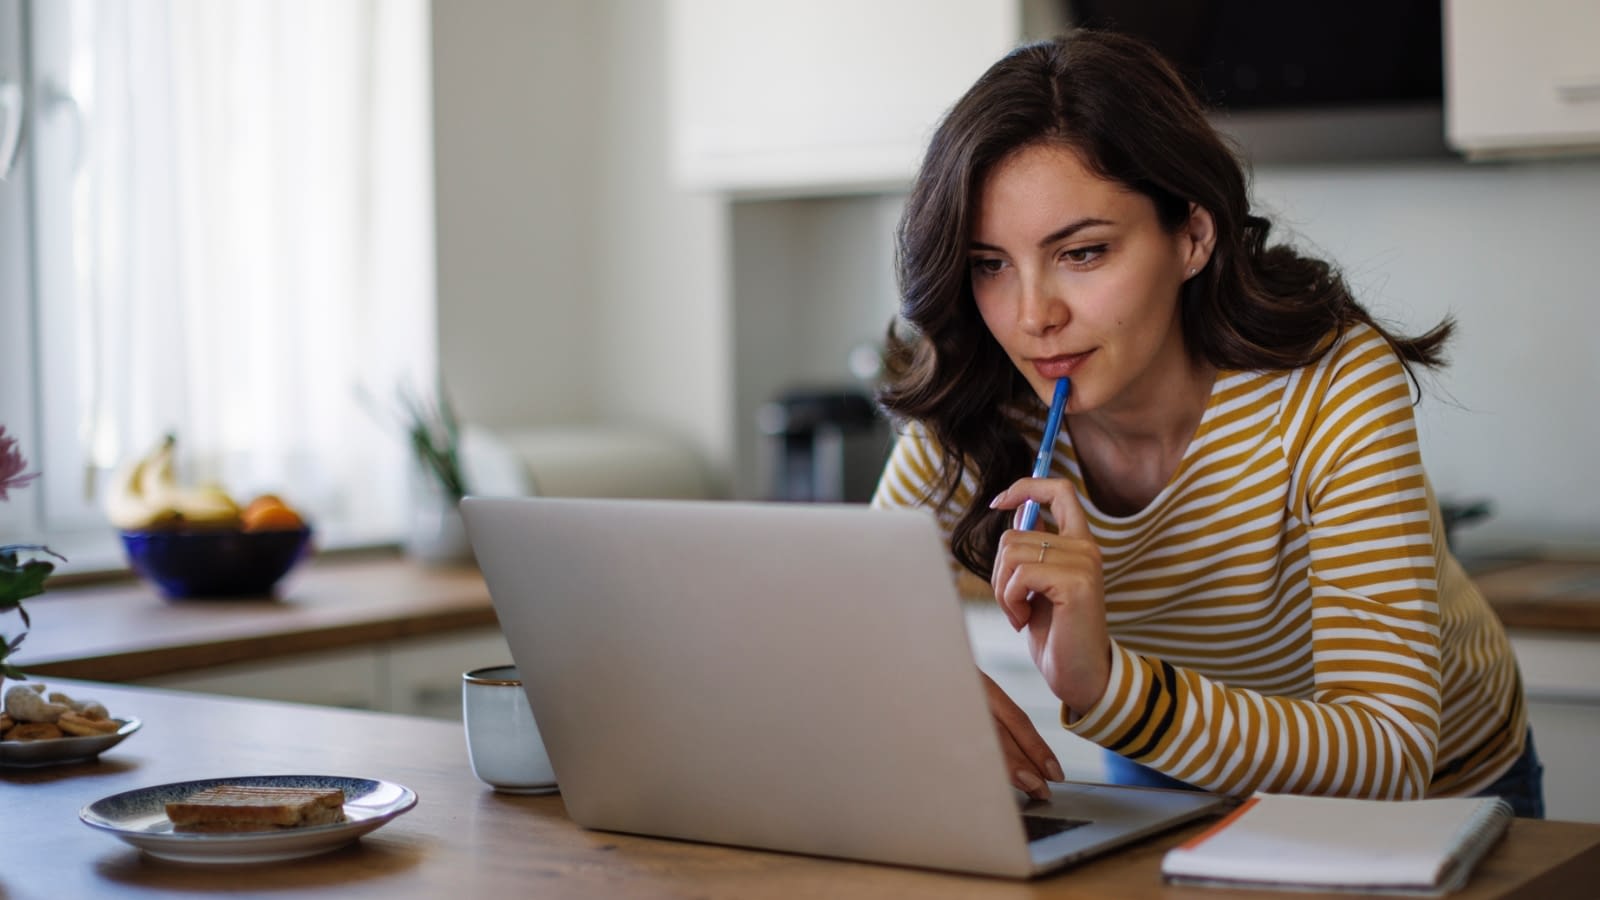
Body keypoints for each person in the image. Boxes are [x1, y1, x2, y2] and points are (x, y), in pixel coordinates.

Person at [870, 30, 1543, 817]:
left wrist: (1112, 690)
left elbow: (1389, 749)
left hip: (1435, 795)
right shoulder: (984, 392)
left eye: (1082, 253)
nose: (1032, 318)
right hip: (1174, 768)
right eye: (990, 265)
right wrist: (922, 686)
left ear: (1191, 235)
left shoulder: (1329, 381)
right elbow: (852, 618)